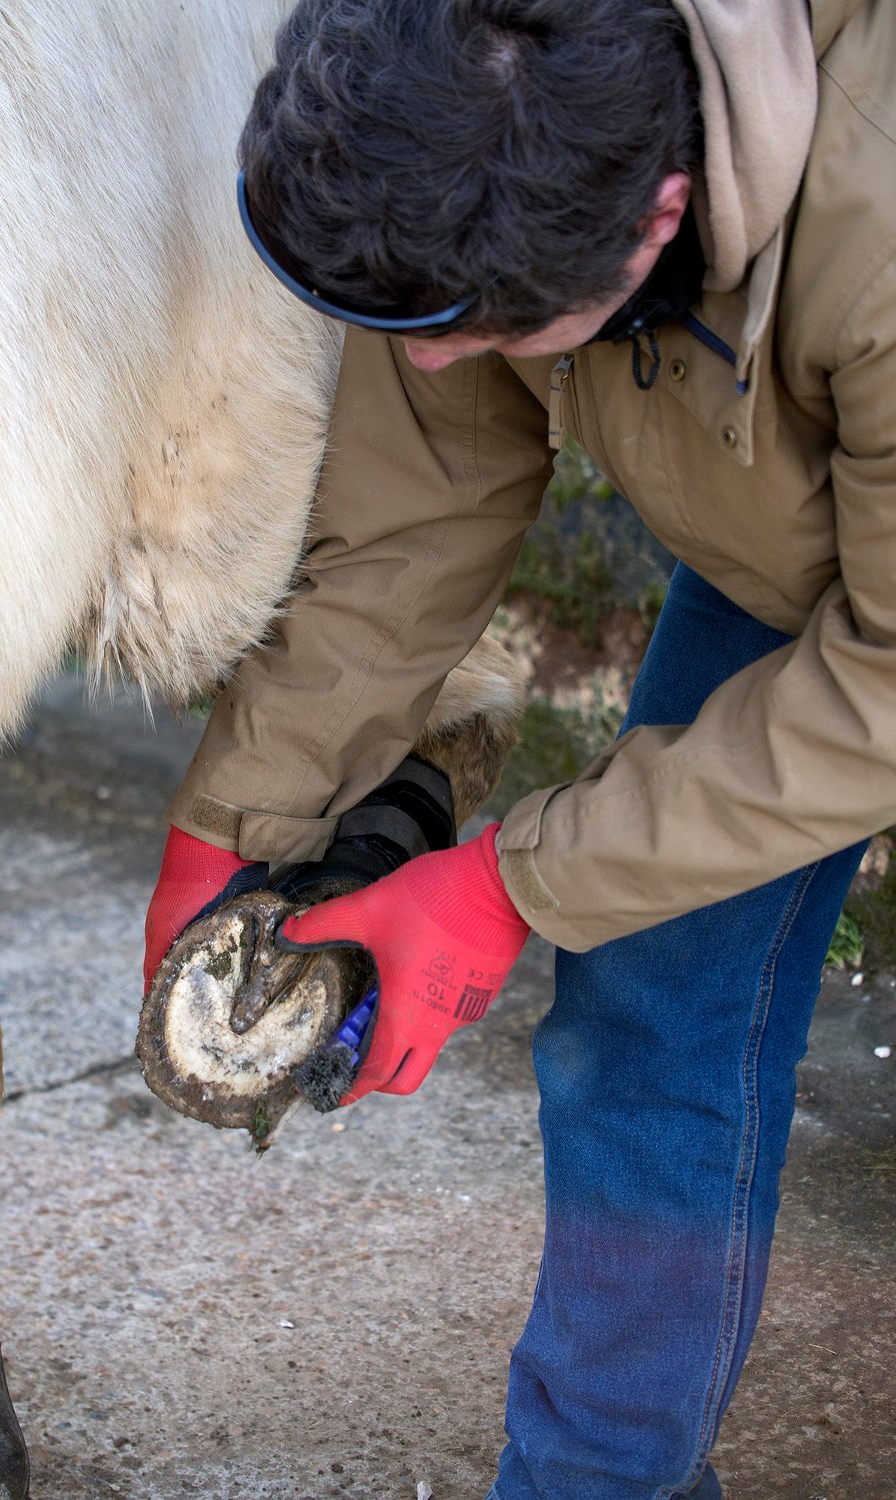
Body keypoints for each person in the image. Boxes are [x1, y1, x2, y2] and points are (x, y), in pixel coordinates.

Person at [144, 1, 896, 1494]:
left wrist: (500, 884)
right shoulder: (471, 112)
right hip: (806, 544)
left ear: (657, 220)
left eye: (473, 332)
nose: (430, 368)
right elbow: (426, 493)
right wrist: (238, 818)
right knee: (646, 994)